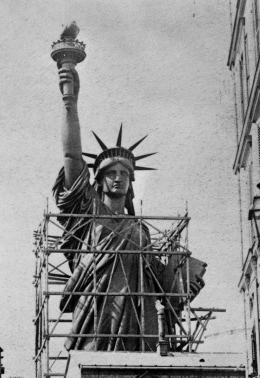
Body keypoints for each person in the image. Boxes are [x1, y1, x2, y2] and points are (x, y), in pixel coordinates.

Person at [54, 64, 205, 351]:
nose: (118, 178)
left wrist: (184, 279)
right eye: (111, 173)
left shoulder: (139, 229)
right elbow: (71, 154)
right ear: (98, 180)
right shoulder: (89, 213)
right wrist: (69, 100)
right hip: (97, 315)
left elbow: (156, 276)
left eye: (125, 174)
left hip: (139, 319)